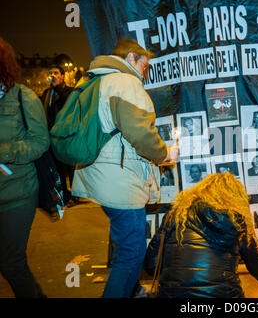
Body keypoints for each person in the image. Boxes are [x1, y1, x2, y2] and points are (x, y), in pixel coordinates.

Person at [71, 38, 179, 298]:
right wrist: (166, 154)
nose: (146, 71)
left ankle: (132, 291)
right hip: (120, 182)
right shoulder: (125, 82)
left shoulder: (97, 80)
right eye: (145, 65)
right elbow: (140, 134)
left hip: (103, 176)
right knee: (131, 253)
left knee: (126, 248)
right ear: (132, 58)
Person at [143, 172, 258, 297]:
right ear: (235, 197)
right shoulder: (236, 221)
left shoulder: (175, 216)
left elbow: (151, 265)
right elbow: (256, 261)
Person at [0, 37, 49, 297]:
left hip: (17, 194)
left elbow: (41, 142)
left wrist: (4, 152)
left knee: (11, 263)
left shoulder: (23, 96)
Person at [41, 65, 77, 206]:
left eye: (56, 73)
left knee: (70, 167)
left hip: (66, 135)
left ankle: (75, 194)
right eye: (51, 73)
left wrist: (58, 88)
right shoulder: (46, 93)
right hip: (52, 136)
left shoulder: (69, 91)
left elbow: (67, 102)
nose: (53, 75)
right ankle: (65, 195)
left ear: (62, 76)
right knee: (58, 169)